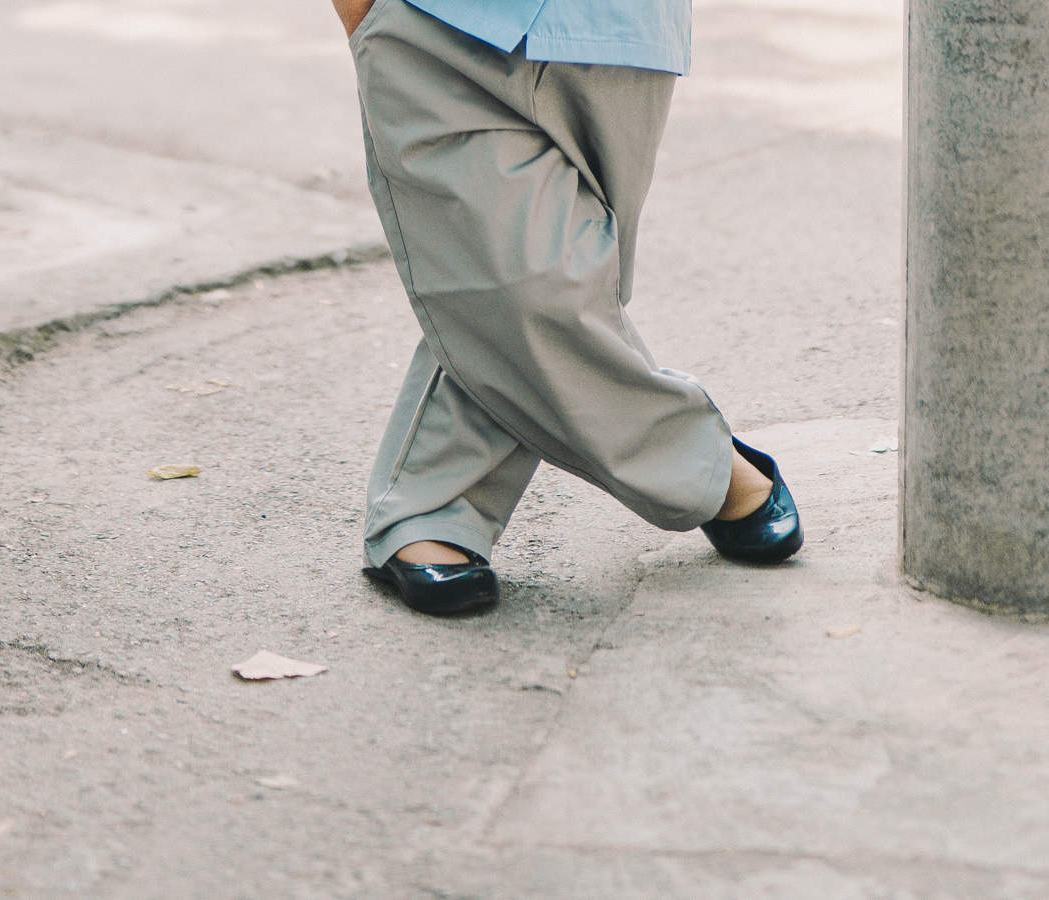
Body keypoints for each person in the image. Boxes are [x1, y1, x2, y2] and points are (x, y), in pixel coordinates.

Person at [333, 0, 802, 615]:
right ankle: (700, 466)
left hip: (623, 32)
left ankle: (432, 506)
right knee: (523, 286)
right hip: (438, 21)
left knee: (547, 279)